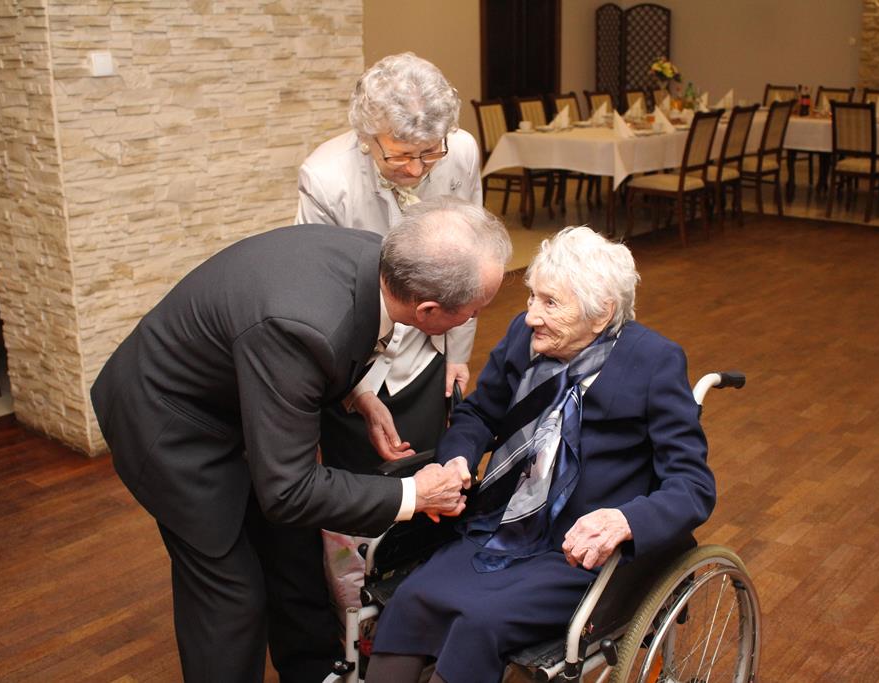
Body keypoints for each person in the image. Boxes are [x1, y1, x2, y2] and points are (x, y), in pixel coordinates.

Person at [90, 197, 512, 683]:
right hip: (167, 423)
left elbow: (315, 350)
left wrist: (358, 395)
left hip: (236, 403)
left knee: (290, 550)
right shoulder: (301, 326)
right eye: (474, 310)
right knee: (231, 593)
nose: (473, 319)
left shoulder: (381, 262)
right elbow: (288, 490)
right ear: (429, 309)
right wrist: (415, 494)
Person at [365, 227, 716, 683]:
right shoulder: (523, 336)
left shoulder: (653, 362)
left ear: (602, 313)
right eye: (532, 296)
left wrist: (624, 521)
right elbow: (479, 413)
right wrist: (457, 458)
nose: (531, 316)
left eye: (550, 303)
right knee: (413, 599)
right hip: (497, 528)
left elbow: (692, 486)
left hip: (578, 551)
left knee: (479, 624)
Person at [296, 52, 483, 471]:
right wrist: (358, 392)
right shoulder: (326, 178)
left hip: (430, 345)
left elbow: (468, 261)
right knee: (357, 478)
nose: (416, 169)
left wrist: (458, 353)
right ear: (367, 136)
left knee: (430, 468)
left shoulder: (461, 152)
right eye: (400, 156)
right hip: (353, 357)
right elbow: (318, 296)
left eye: (429, 153)